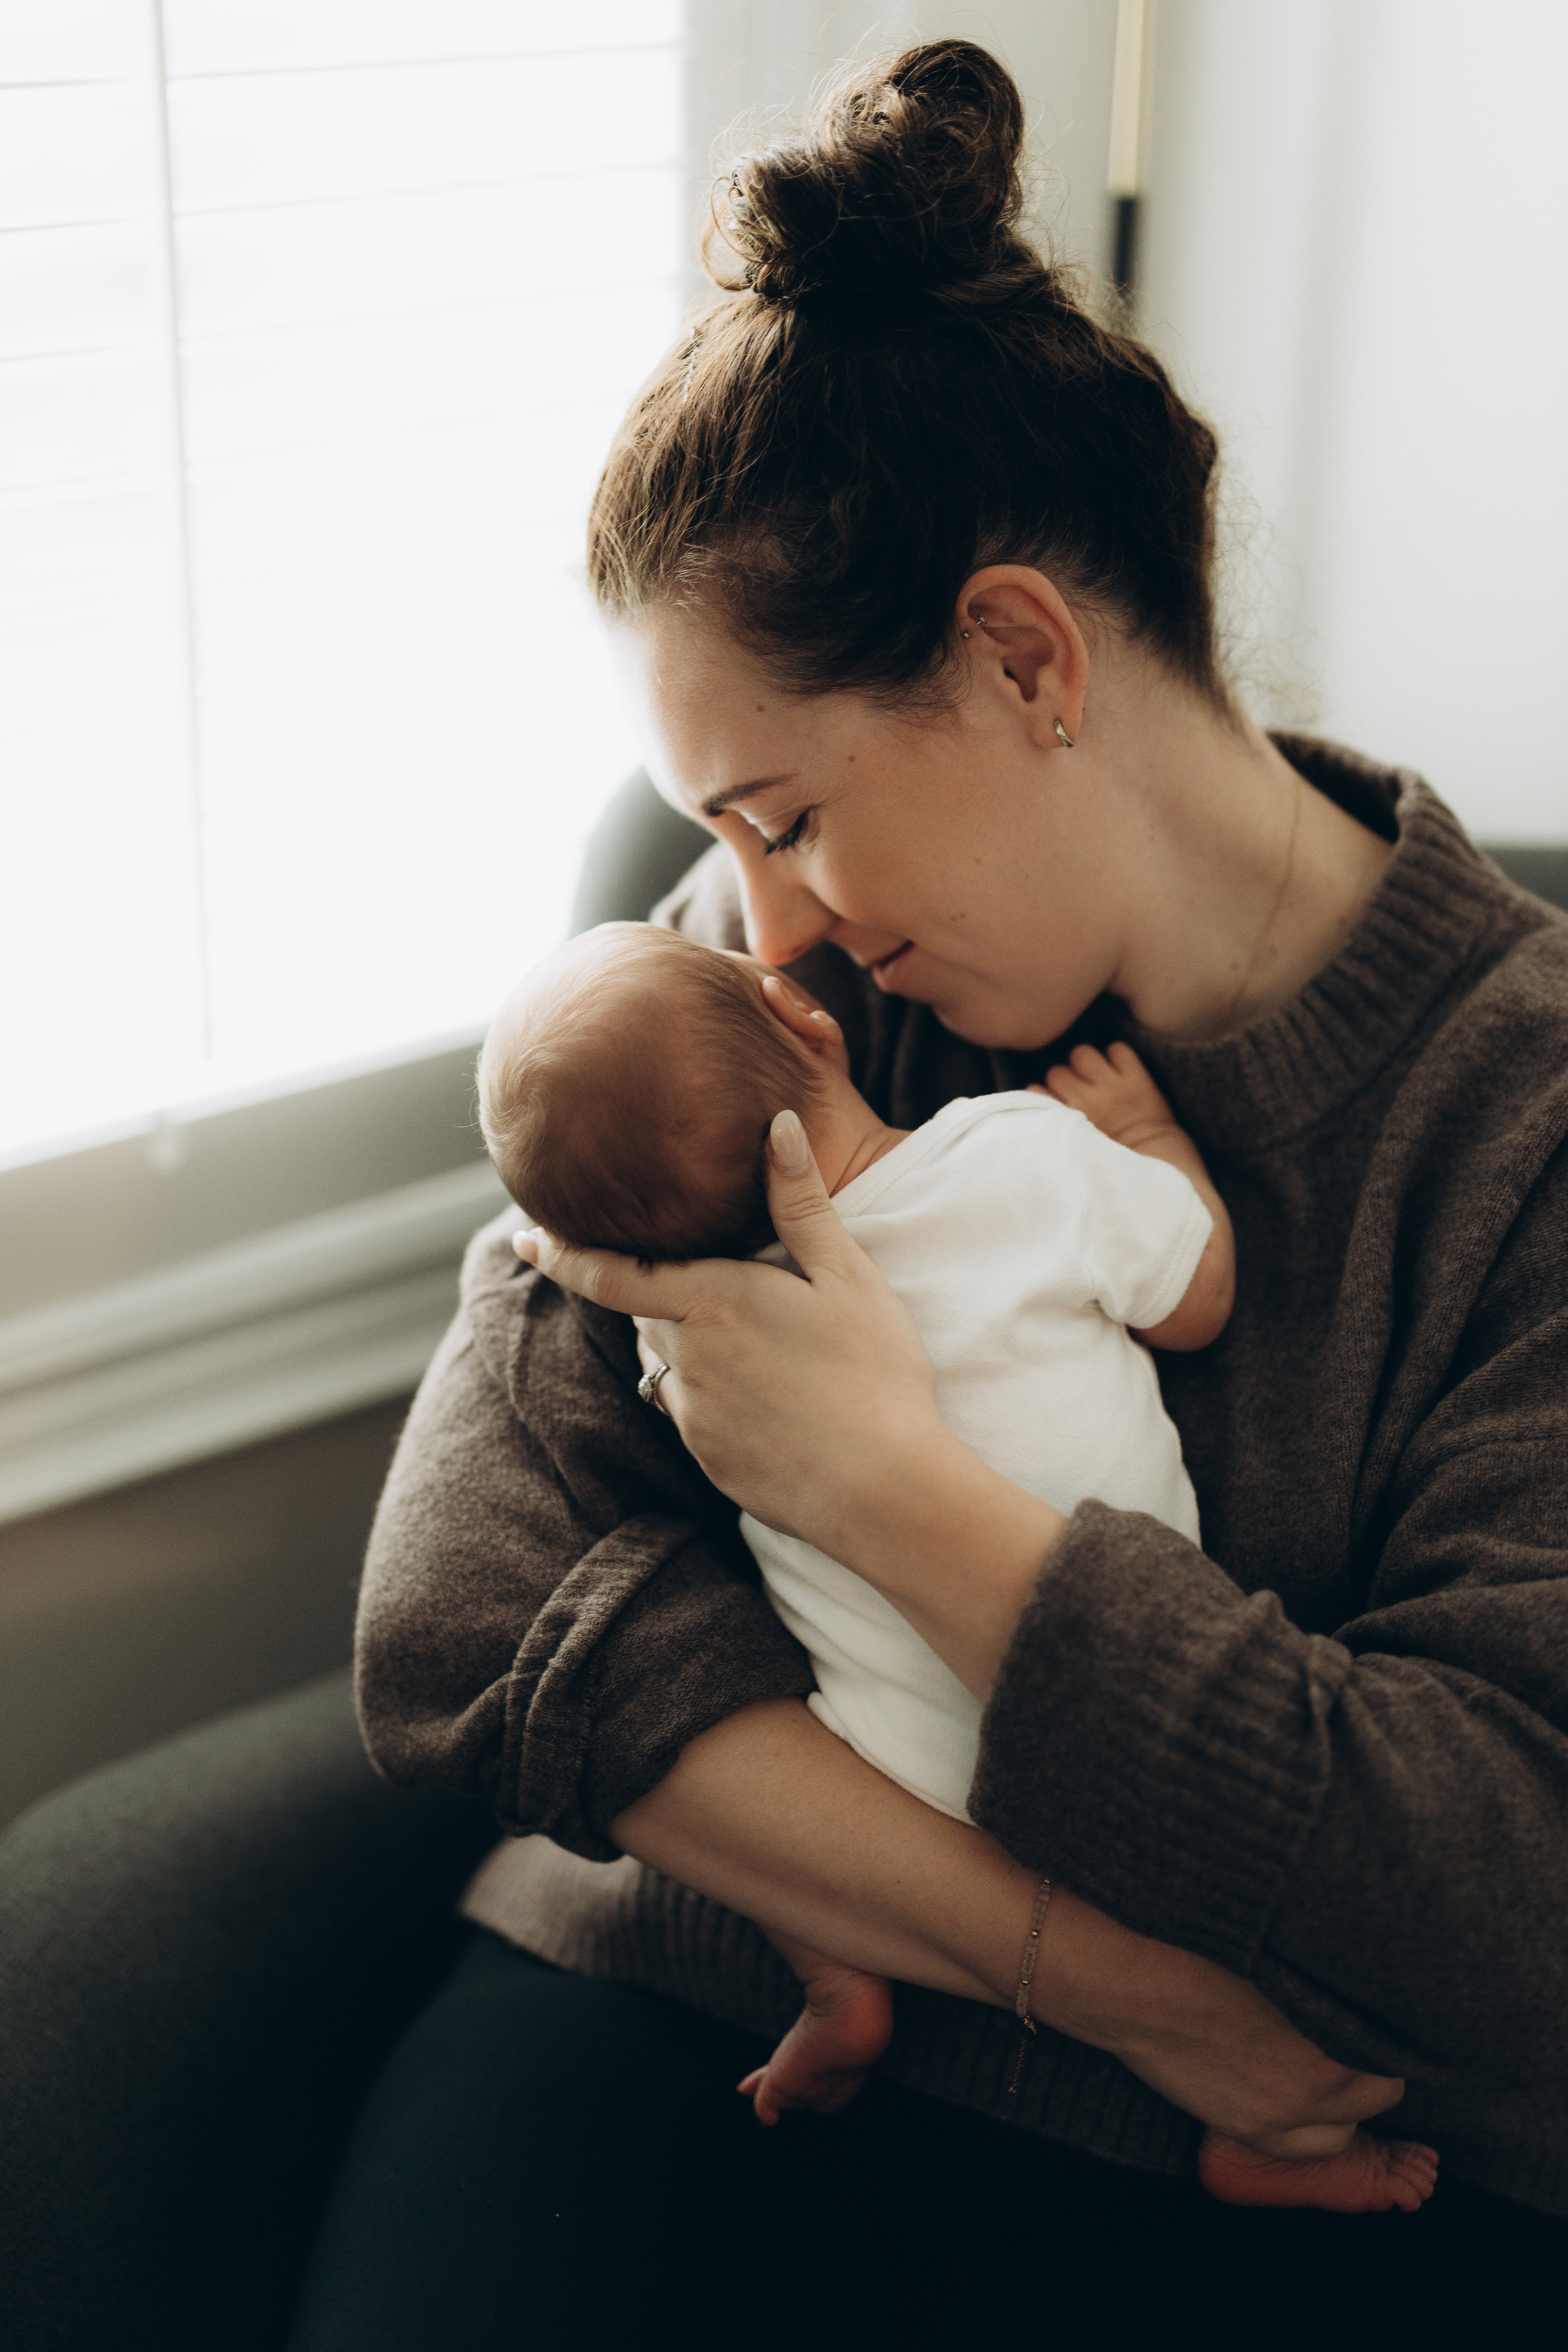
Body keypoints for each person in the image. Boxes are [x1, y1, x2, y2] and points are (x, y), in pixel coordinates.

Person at [294, 37, 1568, 2348]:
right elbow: (461, 1598)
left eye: (782, 813)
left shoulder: (1529, 1119)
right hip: (704, 2008)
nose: (751, 921)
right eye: (717, 842)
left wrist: (902, 1505)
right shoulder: (799, 997)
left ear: (1019, 657)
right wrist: (1096, 1971)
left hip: (1295, 2176)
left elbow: (1499, 1890)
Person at [473, 916, 1439, 2215]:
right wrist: (1149, 1143)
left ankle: (837, 1977)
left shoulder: (694, 1352)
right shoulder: (1013, 1160)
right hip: (1101, 1711)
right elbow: (1195, 1295)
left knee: (783, 1799)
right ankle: (1272, 2144)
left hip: (877, 1785)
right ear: (802, 1018)